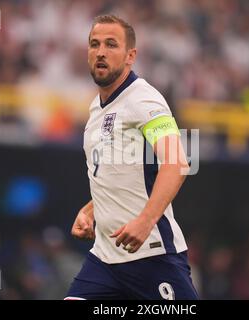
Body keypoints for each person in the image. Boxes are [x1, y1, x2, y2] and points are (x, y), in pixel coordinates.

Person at [66, 15, 198, 300]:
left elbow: (177, 163)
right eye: (94, 44)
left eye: (111, 45)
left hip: (152, 255)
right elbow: (117, 177)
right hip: (104, 260)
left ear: (130, 56)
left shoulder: (144, 99)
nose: (100, 52)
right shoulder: (94, 111)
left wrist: (145, 221)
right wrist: (89, 212)